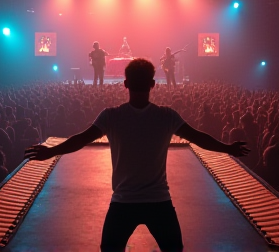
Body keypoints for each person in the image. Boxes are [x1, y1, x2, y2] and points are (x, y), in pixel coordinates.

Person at [25, 58, 249, 252]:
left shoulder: (111, 116)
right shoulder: (166, 116)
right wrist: (229, 148)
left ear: (125, 84)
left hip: (123, 202)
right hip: (159, 201)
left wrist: (51, 152)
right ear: (153, 84)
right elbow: (199, 137)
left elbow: (80, 139)